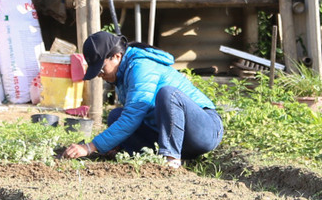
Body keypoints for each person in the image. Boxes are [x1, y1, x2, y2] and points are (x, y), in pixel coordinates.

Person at [62, 31, 222, 168]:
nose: (100, 75)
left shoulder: (141, 67)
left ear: (117, 57)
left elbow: (132, 117)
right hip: (173, 136)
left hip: (204, 131)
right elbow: (130, 117)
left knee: (168, 94)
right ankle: (169, 156)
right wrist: (114, 144)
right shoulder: (122, 75)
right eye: (97, 73)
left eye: (101, 69)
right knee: (115, 116)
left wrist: (90, 147)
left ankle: (171, 160)